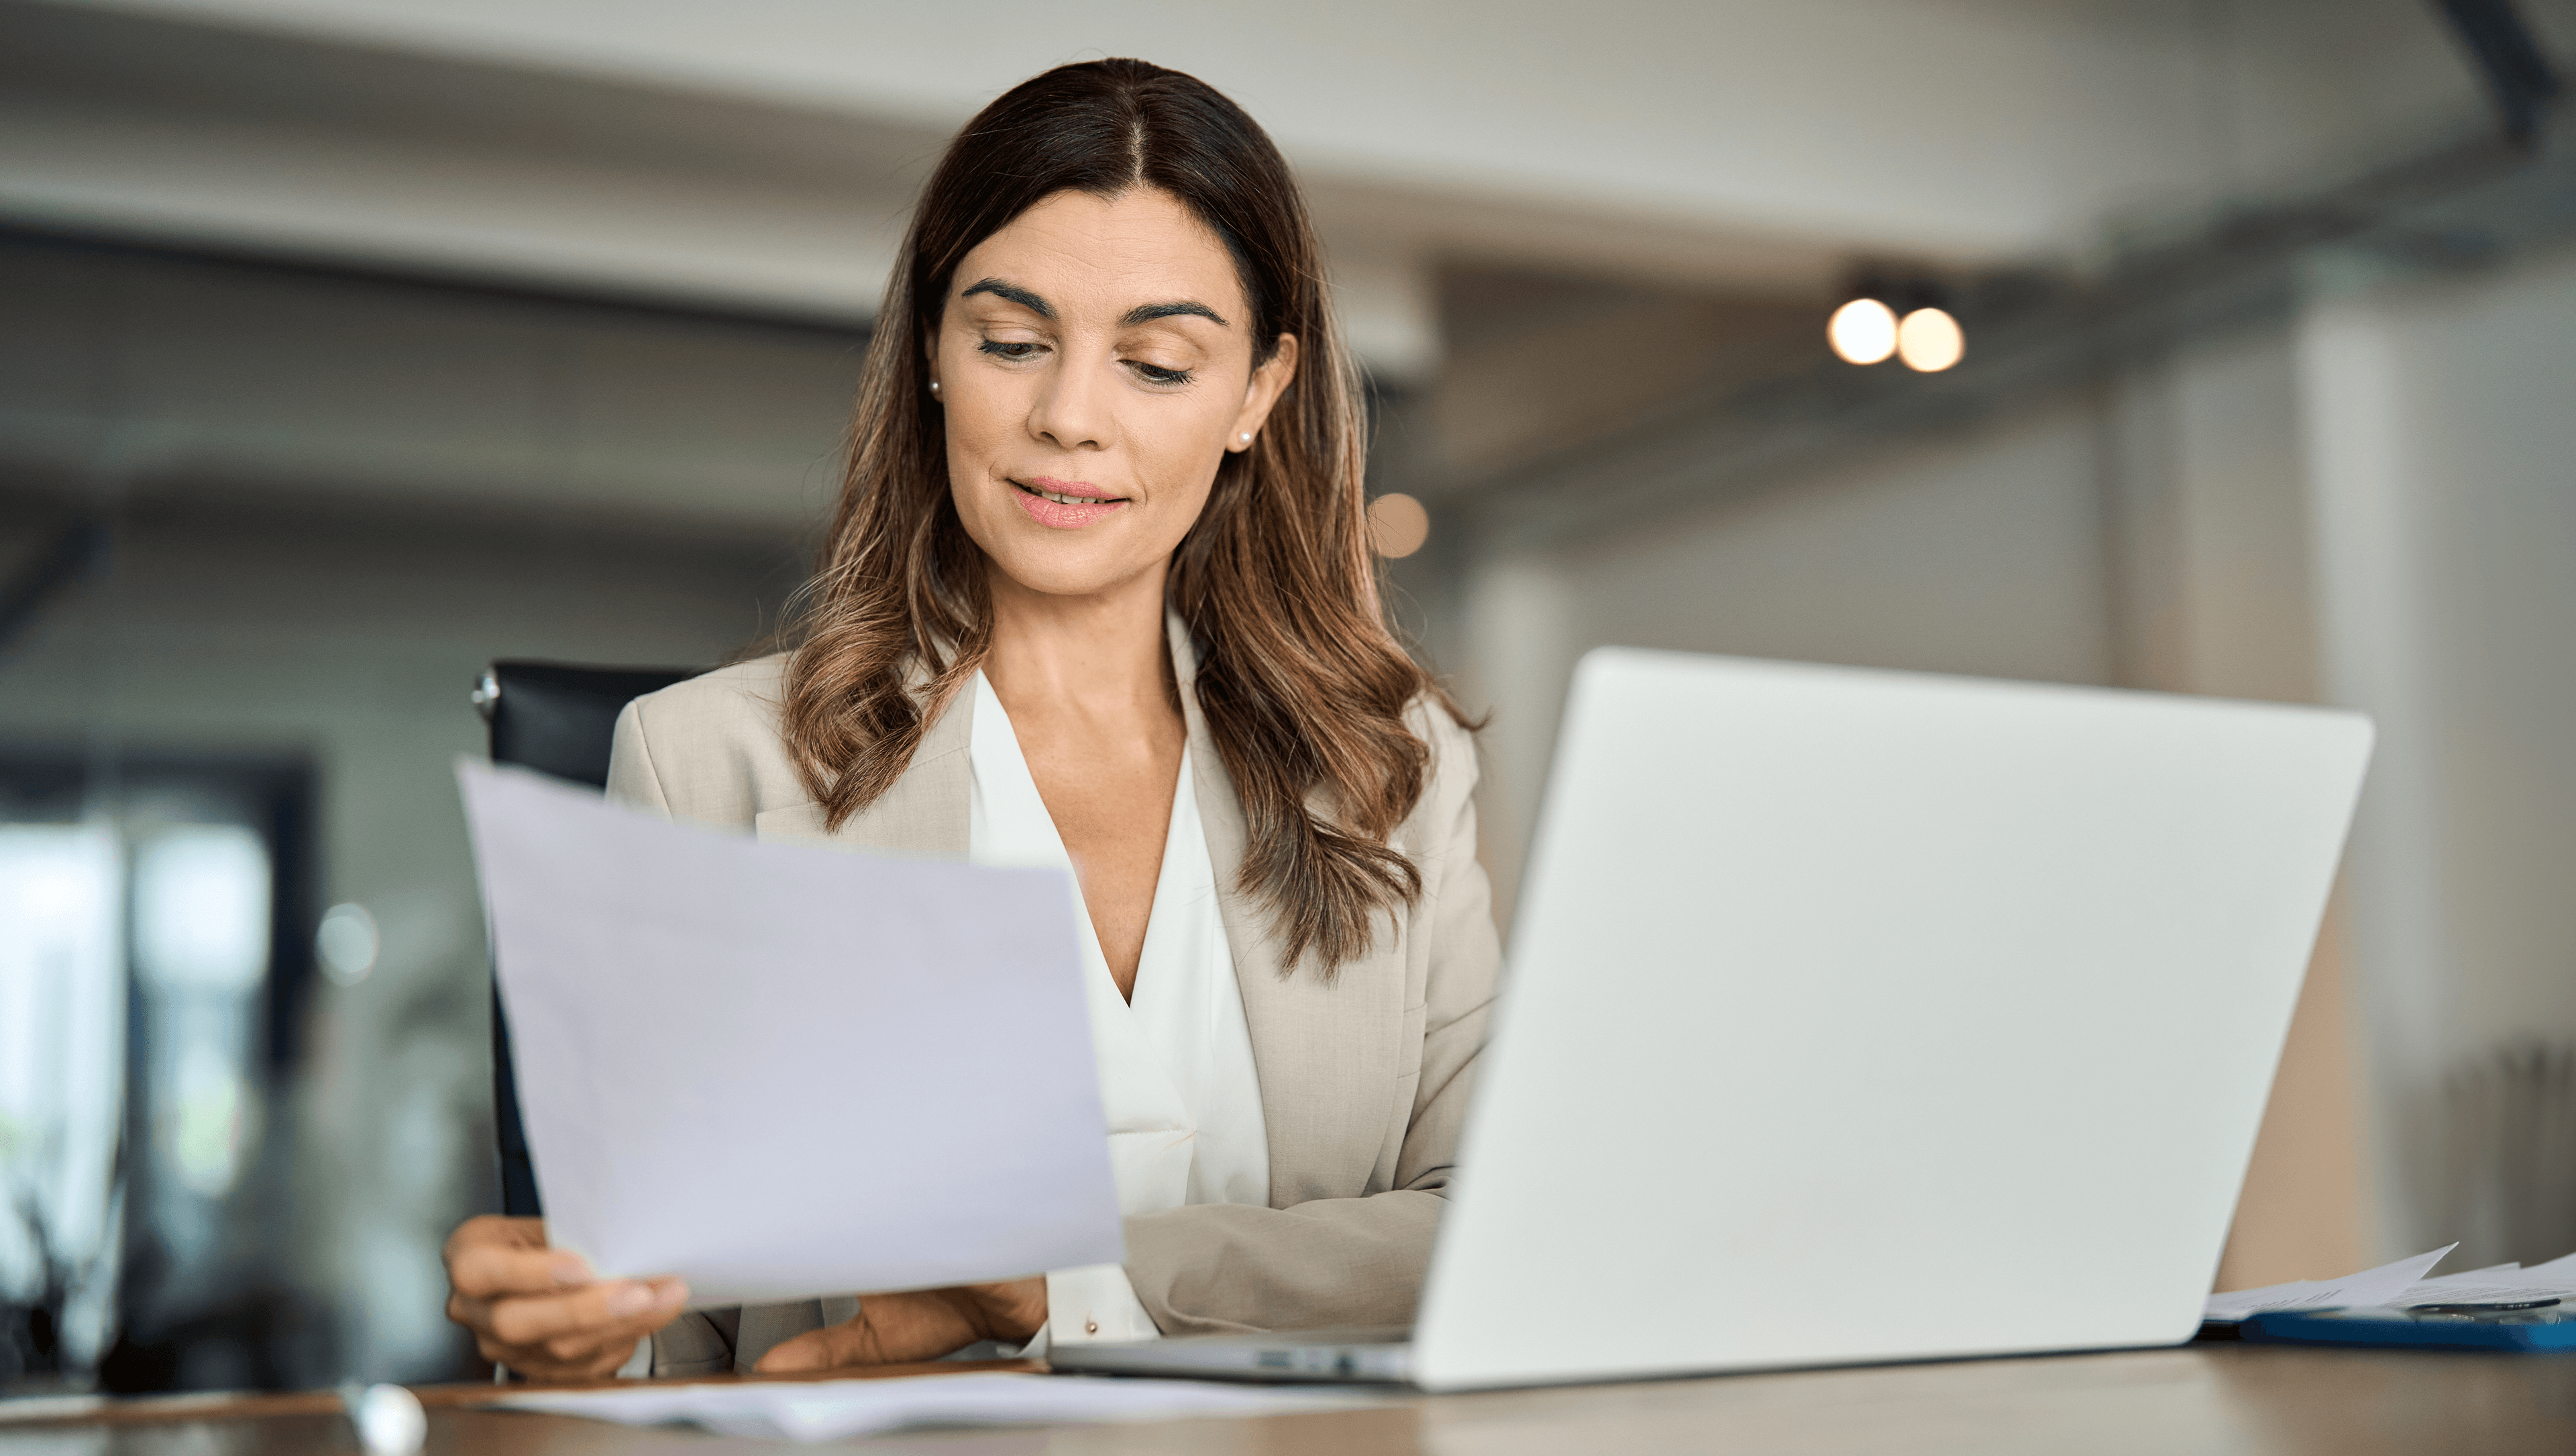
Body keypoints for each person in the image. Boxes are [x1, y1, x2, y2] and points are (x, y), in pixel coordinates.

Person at [441, 57, 1499, 1381]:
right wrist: (562, 1344)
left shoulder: (1394, 766)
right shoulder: (706, 759)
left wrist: (1067, 1278)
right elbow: (670, 1342)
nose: (1069, 417)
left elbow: (1483, 1239)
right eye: (1012, 342)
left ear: (1258, 394)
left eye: (1157, 363)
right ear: (936, 352)